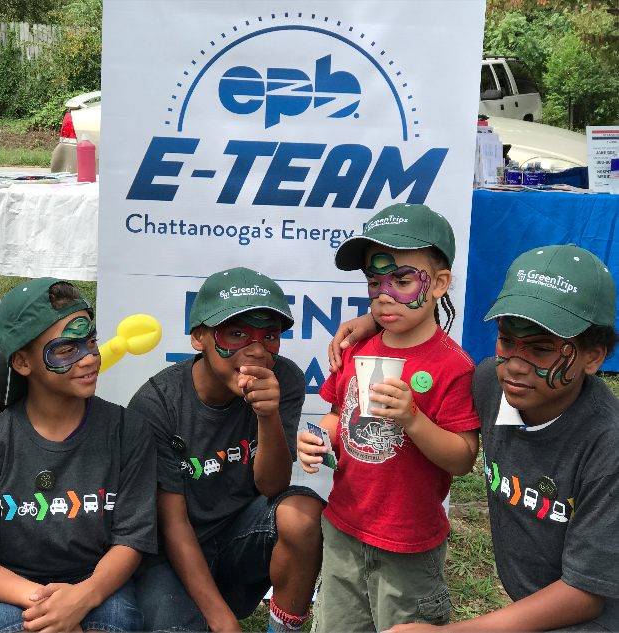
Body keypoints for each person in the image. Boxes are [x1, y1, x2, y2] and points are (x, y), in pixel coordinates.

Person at [337, 244, 619, 632]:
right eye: (506, 341)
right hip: (535, 601)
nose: (517, 365)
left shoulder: (608, 448)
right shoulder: (491, 383)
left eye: (540, 349)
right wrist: (375, 321)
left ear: (593, 356)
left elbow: (585, 595)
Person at [298, 203, 481, 632]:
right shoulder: (357, 349)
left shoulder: (453, 367)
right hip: (343, 527)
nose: (384, 295)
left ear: (438, 284)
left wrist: (414, 420)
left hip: (410, 545)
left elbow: (463, 458)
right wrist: (319, 438)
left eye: (401, 281)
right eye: (374, 281)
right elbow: (338, 417)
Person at [0, 277, 157, 633]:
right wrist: (48, 606)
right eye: (66, 349)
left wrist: (82, 597)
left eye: (91, 341)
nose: (90, 356)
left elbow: (131, 542)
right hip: (11, 589)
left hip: (100, 584)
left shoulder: (128, 431)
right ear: (22, 362)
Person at [128, 267, 325, 633]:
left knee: (301, 513)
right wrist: (220, 619)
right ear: (198, 337)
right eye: (235, 333)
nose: (256, 350)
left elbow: (273, 485)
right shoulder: (157, 404)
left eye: (270, 335)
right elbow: (171, 522)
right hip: (170, 554)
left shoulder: (285, 378)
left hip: (239, 533)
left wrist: (266, 416)